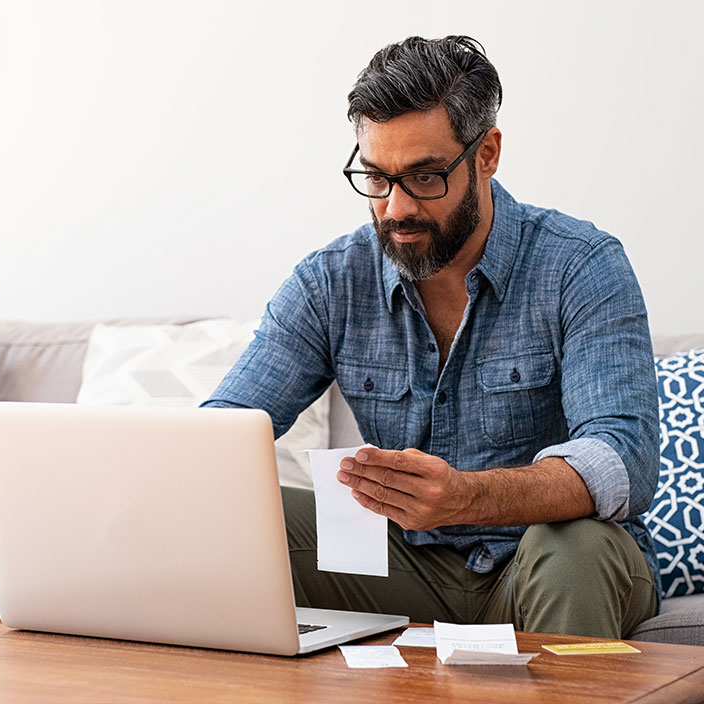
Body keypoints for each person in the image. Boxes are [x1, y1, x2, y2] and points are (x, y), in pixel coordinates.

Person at [204, 35, 660, 638]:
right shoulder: (330, 281)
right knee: (232, 521)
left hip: (541, 566)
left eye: (424, 177)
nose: (395, 209)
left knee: (575, 544)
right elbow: (220, 435)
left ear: (487, 153)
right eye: (377, 178)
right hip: (400, 564)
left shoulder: (580, 265)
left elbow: (622, 459)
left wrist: (467, 497)